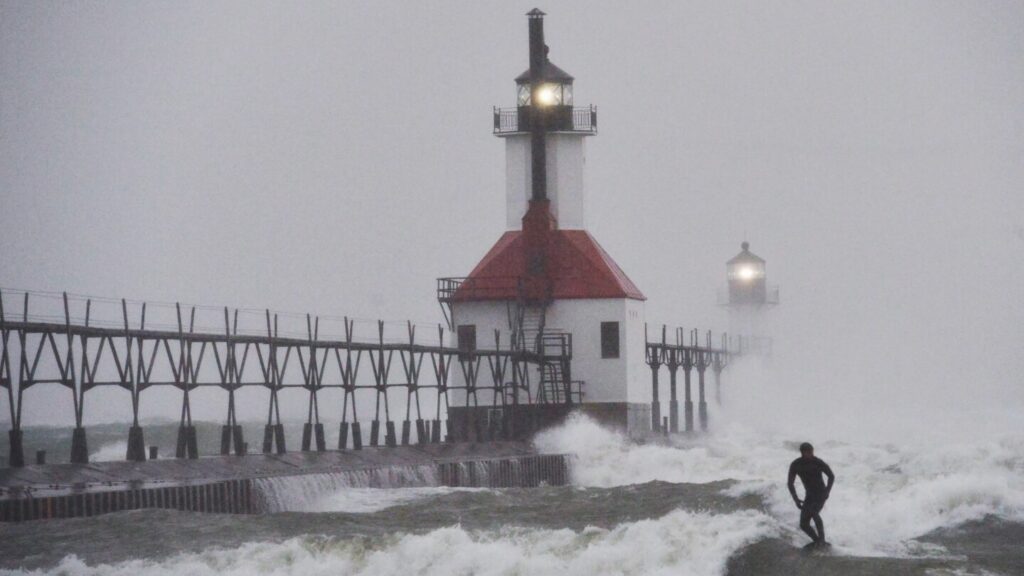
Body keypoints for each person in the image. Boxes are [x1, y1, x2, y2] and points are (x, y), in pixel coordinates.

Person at [787, 442, 835, 546]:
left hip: (821, 493)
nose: (811, 454)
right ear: (802, 452)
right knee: (803, 524)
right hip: (809, 495)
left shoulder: (817, 462)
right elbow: (790, 483)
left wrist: (827, 491)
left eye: (811, 451)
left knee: (814, 512)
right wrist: (796, 499)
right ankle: (817, 540)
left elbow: (831, 476)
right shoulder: (796, 464)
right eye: (808, 452)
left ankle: (822, 540)